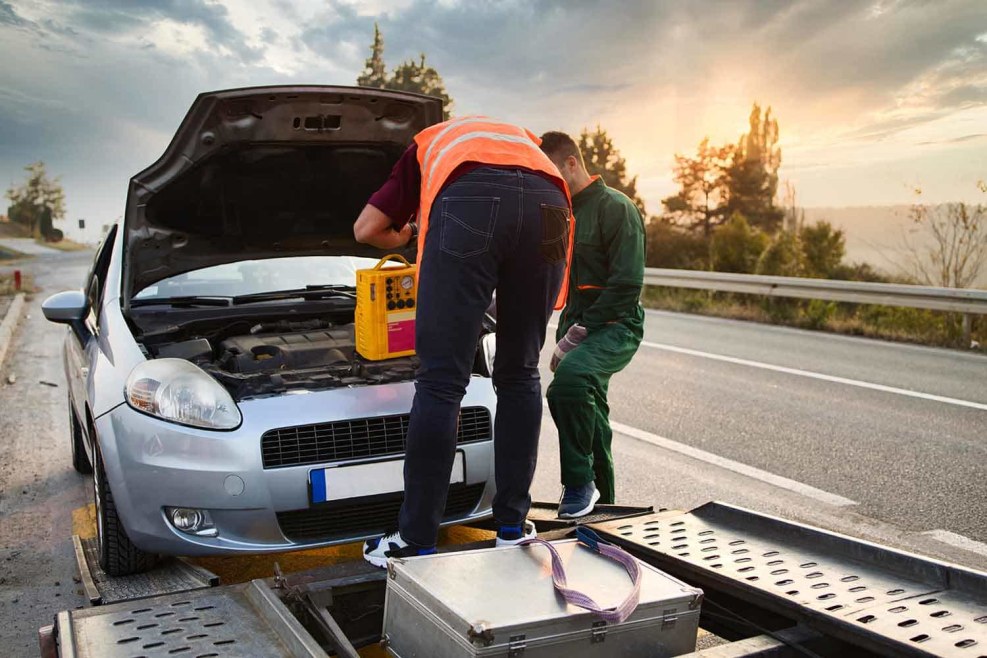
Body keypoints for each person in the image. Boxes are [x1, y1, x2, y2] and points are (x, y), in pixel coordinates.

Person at [354, 117, 573, 567]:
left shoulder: (427, 145)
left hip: (471, 202)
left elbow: (367, 229)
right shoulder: (521, 142)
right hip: (551, 205)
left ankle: (415, 540)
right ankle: (512, 529)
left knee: (441, 382)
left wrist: (409, 233)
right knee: (520, 373)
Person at [539, 131, 645, 518]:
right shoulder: (559, 214)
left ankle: (579, 481)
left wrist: (577, 334)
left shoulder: (616, 208)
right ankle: (606, 508)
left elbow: (627, 286)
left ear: (571, 163)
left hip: (615, 325)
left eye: (551, 172)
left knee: (567, 386)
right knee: (592, 413)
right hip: (575, 325)